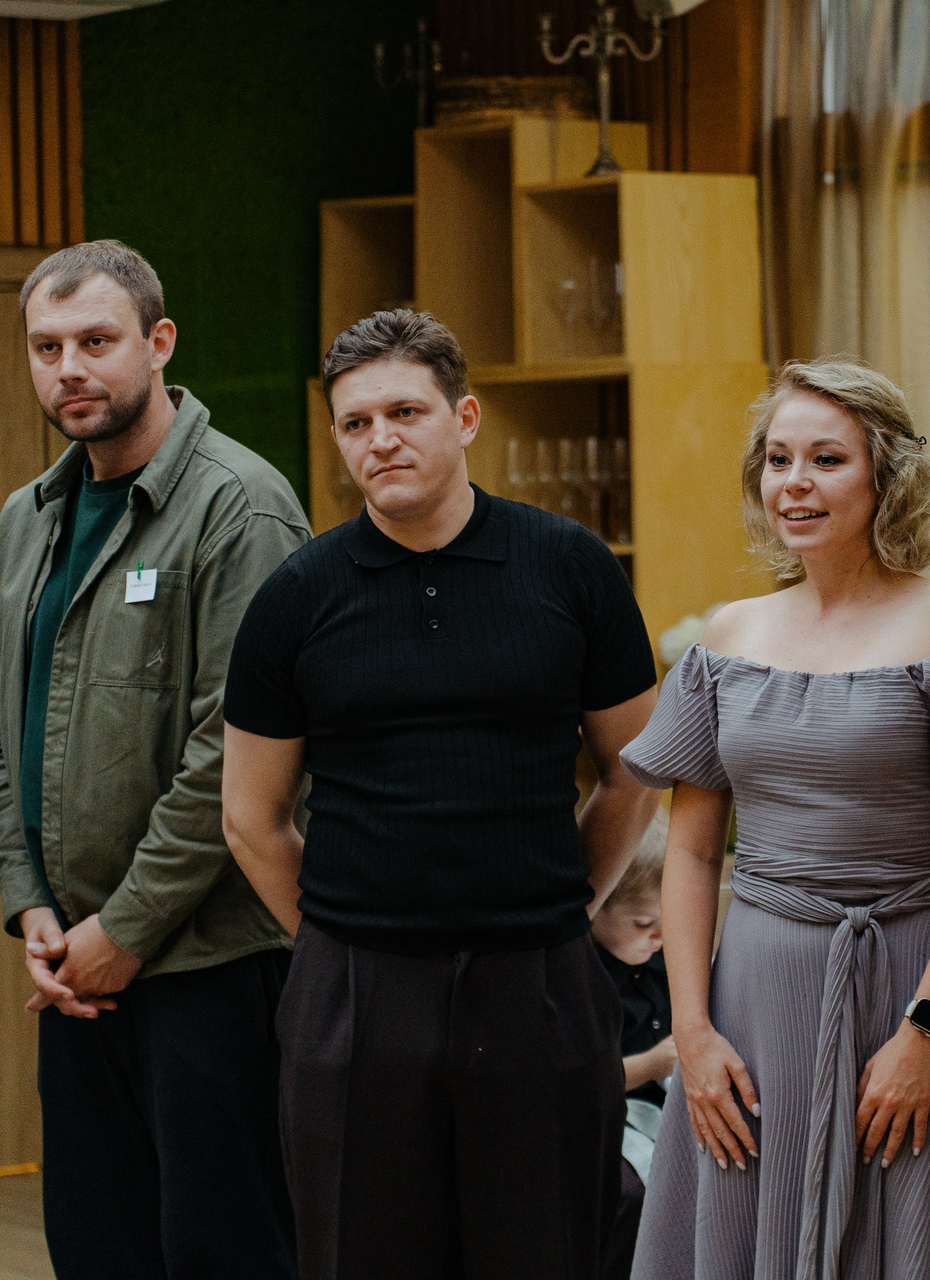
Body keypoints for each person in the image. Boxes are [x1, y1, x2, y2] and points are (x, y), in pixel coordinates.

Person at [220, 309, 660, 1280]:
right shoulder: (297, 595)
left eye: (404, 412)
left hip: (538, 981)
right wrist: (341, 943)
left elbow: (635, 770)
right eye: (355, 422)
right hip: (357, 994)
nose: (380, 439)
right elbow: (250, 818)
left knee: (548, 1252)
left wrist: (565, 903)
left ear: (464, 418)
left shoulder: (571, 566)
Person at [618, 358, 930, 1279]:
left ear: (885, 479)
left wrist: (925, 1032)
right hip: (755, 1003)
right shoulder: (729, 637)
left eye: (827, 459)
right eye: (778, 460)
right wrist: (693, 1036)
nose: (795, 482)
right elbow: (694, 854)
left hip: (911, 987)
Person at [0, 240, 309, 1279]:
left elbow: (232, 755)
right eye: (47, 347)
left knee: (225, 1254)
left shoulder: (241, 504)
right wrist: (32, 905)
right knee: (97, 1250)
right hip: (76, 967)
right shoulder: (27, 516)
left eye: (96, 342)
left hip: (211, 965)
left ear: (158, 344)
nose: (70, 369)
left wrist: (123, 929)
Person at [592, 807, 676, 1278]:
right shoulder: (583, 978)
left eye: (669, 920)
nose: (660, 937)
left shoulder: (666, 955)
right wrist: (655, 1063)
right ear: (596, 907)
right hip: (608, 1116)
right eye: (643, 923)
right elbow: (580, 1082)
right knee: (630, 1193)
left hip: (668, 1107)